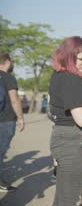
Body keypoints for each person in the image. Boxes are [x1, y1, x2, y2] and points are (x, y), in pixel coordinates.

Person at [48, 37, 82, 205]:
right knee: (70, 200)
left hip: (67, 141)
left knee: (64, 198)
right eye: (81, 59)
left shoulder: (61, 75)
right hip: (75, 143)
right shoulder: (71, 78)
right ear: (69, 56)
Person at [0, 53, 25, 192]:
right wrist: (20, 118)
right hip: (5, 121)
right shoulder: (8, 78)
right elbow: (14, 99)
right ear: (8, 61)